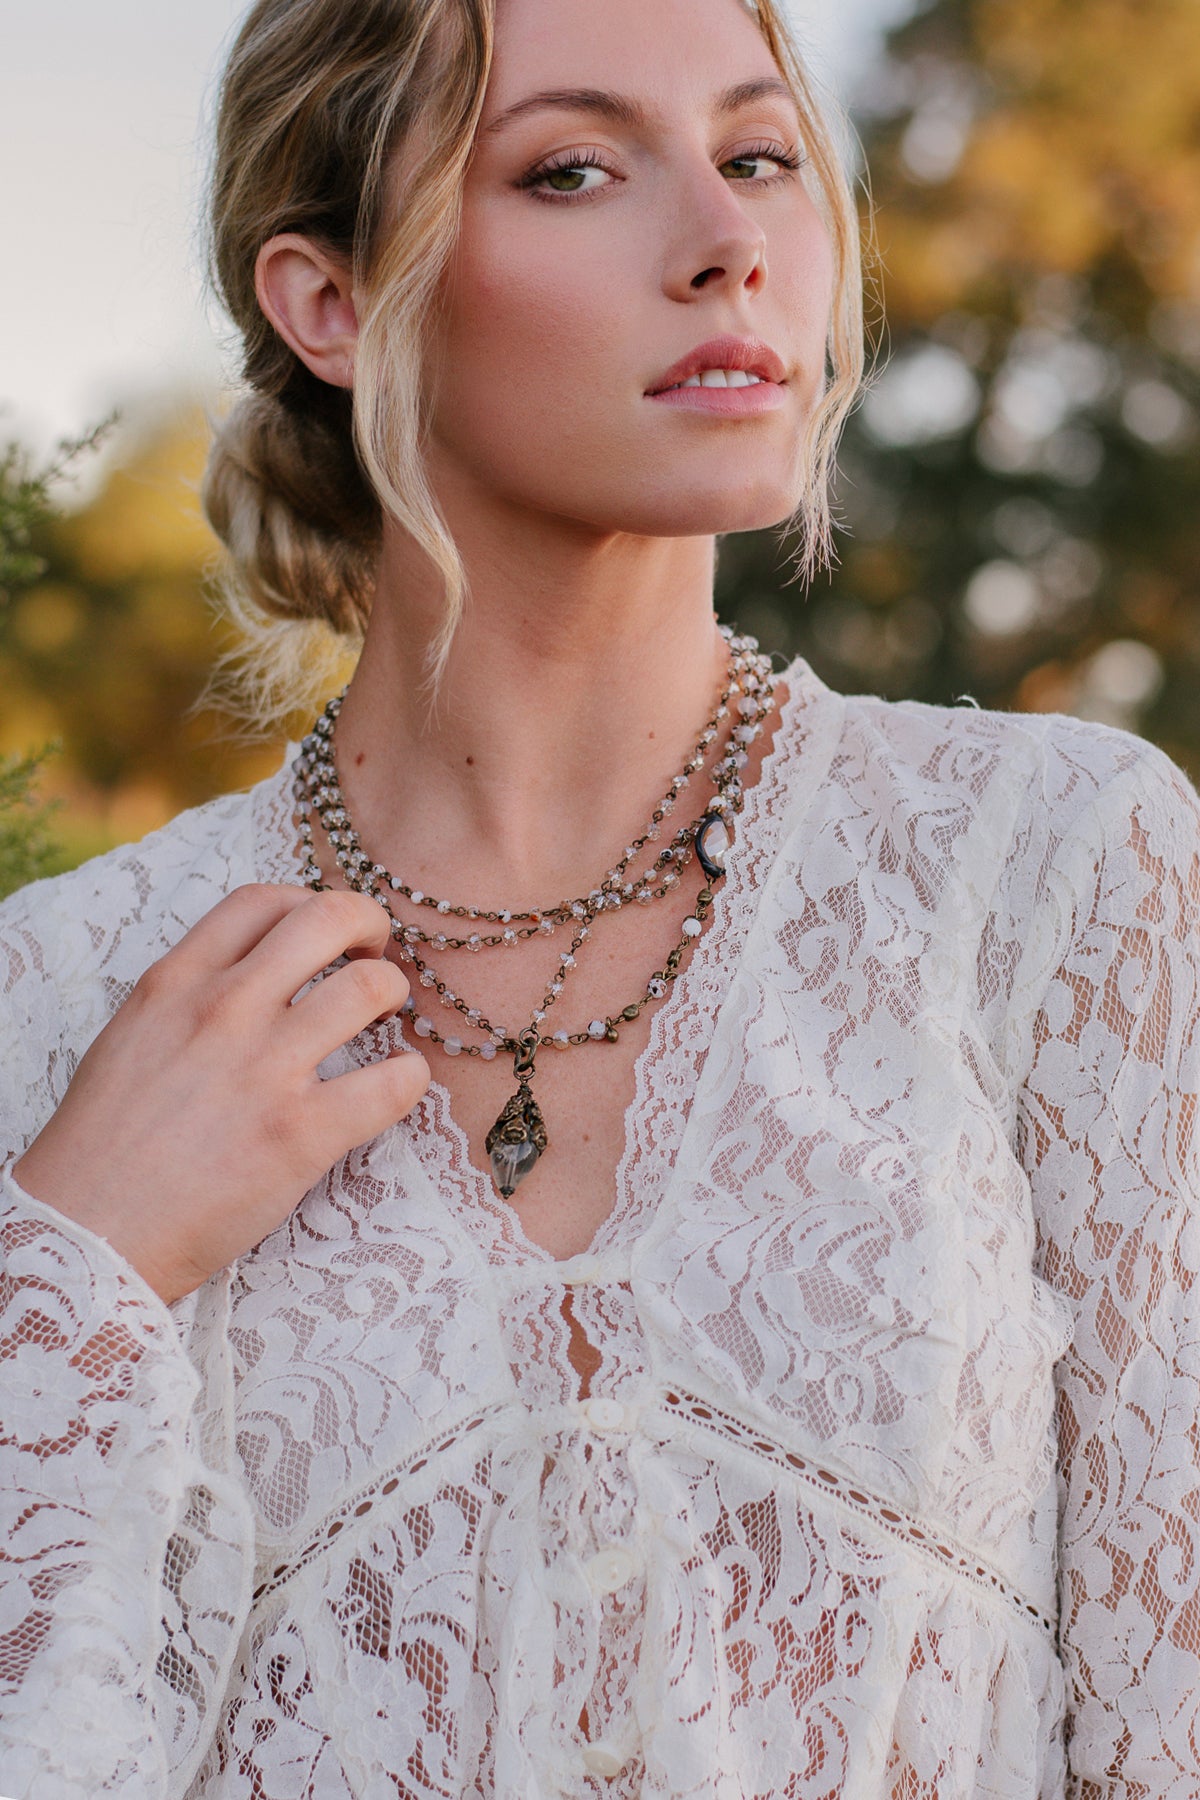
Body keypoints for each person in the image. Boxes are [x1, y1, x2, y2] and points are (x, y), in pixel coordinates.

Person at [2, 0, 1198, 1793]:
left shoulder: (1046, 868)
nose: (728, 244)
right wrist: (68, 1277)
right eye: (572, 169)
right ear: (327, 301)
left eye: (760, 156)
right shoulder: (68, 992)